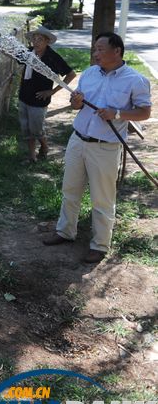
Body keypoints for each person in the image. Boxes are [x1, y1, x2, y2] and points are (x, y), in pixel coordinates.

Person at [42, 32, 152, 263]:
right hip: (78, 139)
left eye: (100, 49)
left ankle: (100, 245)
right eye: (95, 49)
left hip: (105, 148)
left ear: (117, 51)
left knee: (102, 199)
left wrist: (118, 113)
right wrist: (76, 103)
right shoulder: (90, 73)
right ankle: (65, 231)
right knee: (70, 189)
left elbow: (145, 112)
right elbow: (75, 106)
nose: (95, 54)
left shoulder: (135, 80)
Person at [18, 26, 76, 163]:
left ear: (47, 42)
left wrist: (52, 91)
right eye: (34, 39)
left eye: (40, 40)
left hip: (39, 99)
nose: (36, 42)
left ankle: (44, 146)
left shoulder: (52, 57)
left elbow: (71, 74)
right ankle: (32, 156)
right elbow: (13, 55)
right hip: (24, 96)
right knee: (26, 128)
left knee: (36, 129)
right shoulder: (29, 53)